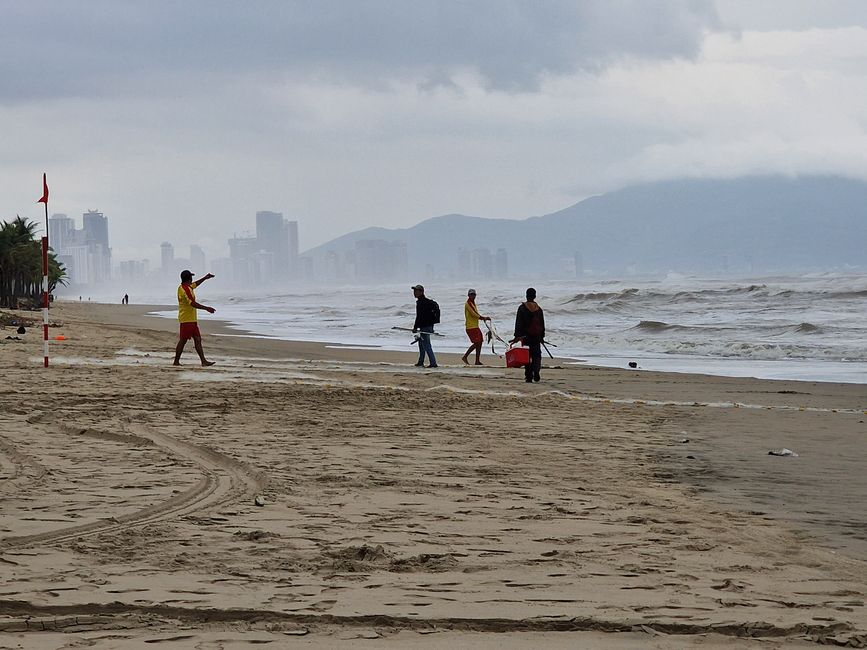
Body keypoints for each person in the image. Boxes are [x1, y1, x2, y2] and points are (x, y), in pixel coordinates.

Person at [173, 269, 216, 367]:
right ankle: (176, 361)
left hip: (191, 319)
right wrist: (206, 308)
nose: (193, 279)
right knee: (183, 340)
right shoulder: (185, 289)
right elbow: (192, 303)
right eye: (191, 277)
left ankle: (203, 361)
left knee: (197, 339)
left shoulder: (186, 287)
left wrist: (205, 278)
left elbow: (195, 284)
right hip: (187, 319)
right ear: (189, 278)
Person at [511, 287, 545, 383]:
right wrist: (542, 336)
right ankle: (536, 371)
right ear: (534, 296)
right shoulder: (539, 309)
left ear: (526, 295)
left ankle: (529, 376)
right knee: (537, 355)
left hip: (525, 337)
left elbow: (518, 323)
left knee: (527, 357)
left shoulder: (522, 308)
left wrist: (516, 336)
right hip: (536, 336)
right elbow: (542, 324)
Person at [411, 284, 438, 368]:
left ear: (421, 292)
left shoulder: (421, 302)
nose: (414, 293)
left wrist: (415, 327)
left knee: (426, 344)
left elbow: (418, 316)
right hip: (428, 326)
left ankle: (433, 363)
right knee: (421, 344)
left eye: (416, 291)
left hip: (425, 326)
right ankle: (420, 361)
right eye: (414, 291)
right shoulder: (425, 301)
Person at [461, 289, 490, 365]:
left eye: (474, 295)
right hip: (470, 327)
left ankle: (477, 360)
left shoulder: (473, 303)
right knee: (477, 342)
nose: (473, 296)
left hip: (475, 326)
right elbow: (473, 314)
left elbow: (475, 313)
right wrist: (483, 318)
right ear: (468, 295)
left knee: (480, 342)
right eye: (471, 295)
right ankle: (465, 356)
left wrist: (482, 318)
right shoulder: (468, 304)